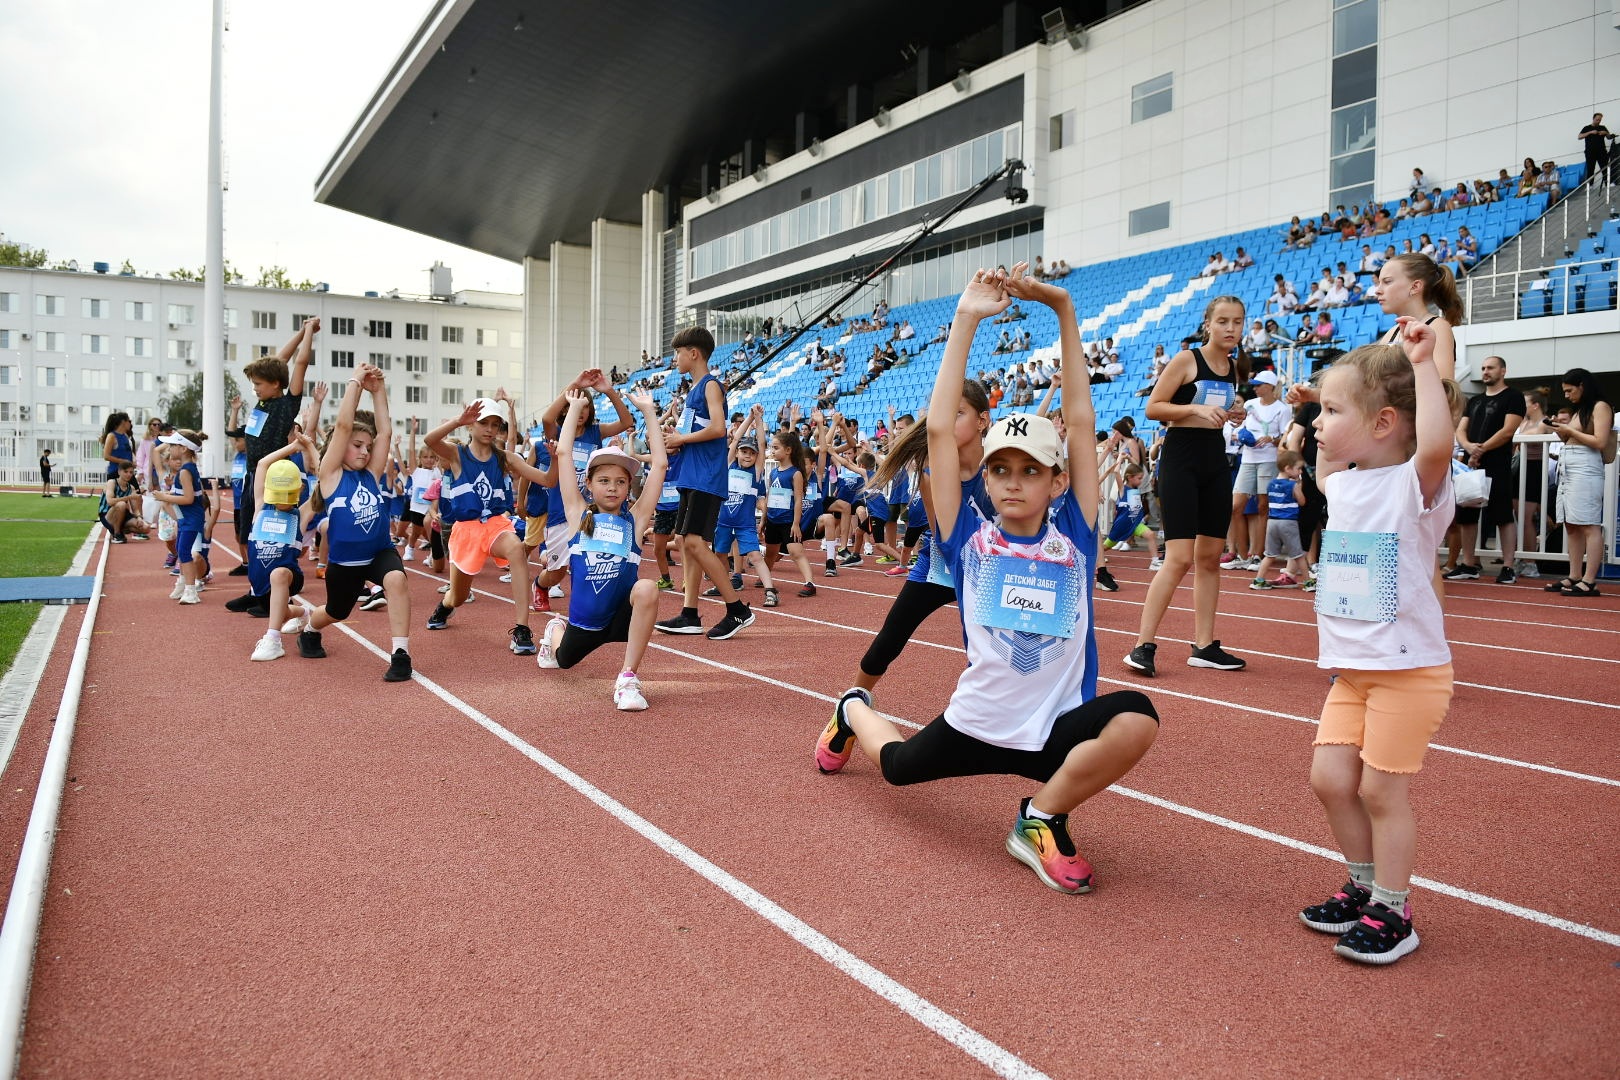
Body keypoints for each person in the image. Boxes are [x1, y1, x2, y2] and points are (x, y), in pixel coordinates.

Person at [815, 263, 1159, 896]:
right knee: (893, 767)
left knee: (1137, 716)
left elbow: (1081, 423)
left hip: (1053, 730)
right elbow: (941, 429)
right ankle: (851, 707)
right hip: (975, 723)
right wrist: (967, 317)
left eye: (1031, 471)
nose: (1012, 482)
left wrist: (1061, 308)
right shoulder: (967, 537)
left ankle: (1041, 819)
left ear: (1058, 482)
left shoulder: (1077, 536)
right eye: (1000, 469)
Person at [1300, 316, 1455, 966]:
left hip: (1408, 670)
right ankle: (1362, 886)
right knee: (1330, 779)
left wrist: (1420, 362)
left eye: (1332, 410)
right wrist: (1340, 397)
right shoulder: (1345, 485)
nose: (1317, 421)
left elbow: (1438, 445)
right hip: (1353, 671)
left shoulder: (1413, 487)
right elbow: (1327, 458)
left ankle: (1395, 909)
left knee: (1378, 791)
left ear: (1385, 423)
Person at [1124, 295, 1249, 677]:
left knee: (1210, 558)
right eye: (1223, 321)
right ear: (1207, 323)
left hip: (1215, 459)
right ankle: (1143, 645)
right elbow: (1154, 408)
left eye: (1238, 322)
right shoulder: (1186, 360)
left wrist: (1235, 408)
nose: (1231, 328)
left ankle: (1205, 645)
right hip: (1181, 458)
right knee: (1178, 558)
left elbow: (1219, 408)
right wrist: (1196, 409)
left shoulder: (1233, 367)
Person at [535, 388, 666, 710]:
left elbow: (660, 465)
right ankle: (555, 629)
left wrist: (649, 411)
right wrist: (574, 407)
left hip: (621, 617)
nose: (613, 487)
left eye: (621, 482)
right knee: (563, 661)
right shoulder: (577, 515)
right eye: (604, 480)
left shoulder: (634, 520)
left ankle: (628, 679)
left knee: (647, 587)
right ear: (589, 484)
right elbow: (564, 455)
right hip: (584, 623)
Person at [292, 364, 413, 682]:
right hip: (346, 563)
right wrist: (354, 384)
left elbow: (384, 432)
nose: (364, 451)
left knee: (397, 581)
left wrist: (379, 390)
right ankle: (309, 628)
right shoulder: (330, 476)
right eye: (357, 445)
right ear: (338, 446)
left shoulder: (371, 474)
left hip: (379, 552)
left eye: (367, 447)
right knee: (336, 612)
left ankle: (401, 654)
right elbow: (344, 425)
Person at [655, 327, 755, 640]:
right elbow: (698, 433)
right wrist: (676, 441)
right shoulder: (694, 390)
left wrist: (682, 437)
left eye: (678, 353)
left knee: (695, 542)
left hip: (706, 477)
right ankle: (689, 614)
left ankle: (737, 609)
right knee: (686, 542)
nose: (675, 359)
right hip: (691, 474)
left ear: (693, 353)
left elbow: (718, 428)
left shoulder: (711, 385)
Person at [423, 393, 536, 653]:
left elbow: (548, 479)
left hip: (495, 525)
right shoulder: (456, 454)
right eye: (484, 423)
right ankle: (446, 605)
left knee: (517, 549)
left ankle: (521, 628)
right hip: (465, 530)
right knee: (459, 596)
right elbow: (431, 440)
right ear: (472, 425)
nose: (490, 429)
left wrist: (558, 455)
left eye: (495, 425)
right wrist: (457, 421)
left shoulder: (502, 457)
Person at [237, 319, 317, 549]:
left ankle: (280, 561)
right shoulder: (261, 402)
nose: (255, 388)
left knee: (273, 525)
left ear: (275, 384)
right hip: (252, 473)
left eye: (258, 384)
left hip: (274, 474)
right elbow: (278, 361)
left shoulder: (287, 404)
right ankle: (253, 570)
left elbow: (300, 363)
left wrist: (310, 330)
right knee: (248, 529)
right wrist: (301, 331)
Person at [1447, 355, 1524, 583]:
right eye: (1483, 368)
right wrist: (1469, 446)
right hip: (1471, 465)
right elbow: (1461, 429)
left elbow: (1508, 430)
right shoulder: (1475, 400)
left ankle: (1508, 566)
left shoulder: (1514, 396)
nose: (1485, 371)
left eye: (1490, 367)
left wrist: (1480, 450)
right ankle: (1469, 564)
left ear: (1503, 371)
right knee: (1467, 516)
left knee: (1502, 515)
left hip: (1497, 463)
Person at [246, 441, 317, 662]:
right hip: (260, 586)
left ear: (300, 489)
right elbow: (262, 464)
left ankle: (273, 641)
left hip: (288, 577)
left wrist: (310, 449)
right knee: (282, 612)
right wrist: (294, 446)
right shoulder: (260, 508)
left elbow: (326, 481)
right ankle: (304, 614)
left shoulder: (302, 514)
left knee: (278, 574)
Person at [1547, 368, 1614, 597]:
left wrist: (1566, 429)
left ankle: (1589, 580)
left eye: (1569, 390)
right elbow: (1571, 438)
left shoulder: (1600, 406)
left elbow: (1600, 441)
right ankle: (1575, 575)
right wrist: (1559, 430)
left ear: (1582, 386)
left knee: (1588, 523)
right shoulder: (1580, 411)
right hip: (1570, 464)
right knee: (1571, 523)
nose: (1567, 396)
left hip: (1586, 466)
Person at [1224, 371, 1291, 571]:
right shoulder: (1249, 404)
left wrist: (1272, 439)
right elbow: (1238, 426)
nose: (1254, 388)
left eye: (1258, 384)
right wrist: (1240, 434)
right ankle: (1242, 554)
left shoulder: (1282, 409)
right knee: (1236, 506)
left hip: (1269, 459)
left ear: (1269, 386)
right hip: (1248, 459)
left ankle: (1256, 555)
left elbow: (1286, 437)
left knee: (1263, 506)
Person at [151, 429, 208, 605]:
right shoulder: (185, 470)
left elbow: (189, 498)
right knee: (179, 547)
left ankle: (191, 590)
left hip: (191, 518)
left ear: (183, 449)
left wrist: (164, 497)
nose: (170, 447)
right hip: (186, 518)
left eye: (174, 444)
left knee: (183, 551)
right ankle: (182, 583)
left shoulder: (185, 471)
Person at [1248, 451, 1312, 590]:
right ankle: (1308, 582)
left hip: (1272, 522)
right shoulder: (1292, 485)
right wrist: (1299, 487)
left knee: (1269, 555)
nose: (1300, 471)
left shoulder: (1271, 484)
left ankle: (1258, 580)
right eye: (1298, 468)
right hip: (1288, 522)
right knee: (1298, 555)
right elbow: (1302, 502)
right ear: (1288, 468)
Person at [97, 461, 144, 541]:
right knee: (121, 504)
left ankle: (122, 529)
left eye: (131, 472)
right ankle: (117, 533)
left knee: (146, 528)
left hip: (122, 514)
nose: (129, 474)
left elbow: (135, 509)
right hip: (106, 514)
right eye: (126, 472)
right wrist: (129, 497)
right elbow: (110, 501)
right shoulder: (111, 483)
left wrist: (139, 518)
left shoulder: (131, 488)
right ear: (119, 472)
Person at [1579, 113, 1611, 185]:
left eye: (1600, 120)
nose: (1598, 121)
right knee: (1590, 169)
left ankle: (1608, 184)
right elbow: (1579, 136)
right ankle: (1590, 186)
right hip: (1590, 152)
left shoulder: (1603, 127)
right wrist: (1590, 132)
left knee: (1605, 168)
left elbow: (1609, 137)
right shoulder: (1587, 128)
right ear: (1593, 118)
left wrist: (1605, 133)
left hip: (1602, 151)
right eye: (1597, 120)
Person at [101, 412, 135, 480]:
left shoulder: (125, 436)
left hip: (128, 473)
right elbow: (106, 456)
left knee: (136, 490)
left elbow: (128, 452)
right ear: (123, 422)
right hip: (116, 473)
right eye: (129, 421)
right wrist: (123, 461)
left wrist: (133, 461)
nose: (130, 424)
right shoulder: (112, 436)